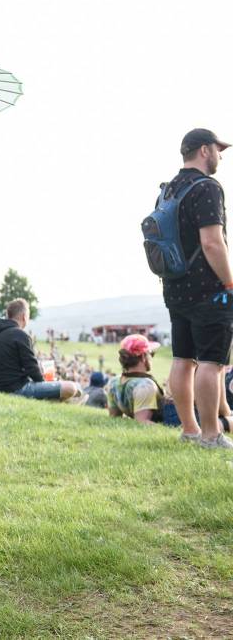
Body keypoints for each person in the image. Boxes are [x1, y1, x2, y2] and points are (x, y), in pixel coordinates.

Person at [160, 129, 233, 449]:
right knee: (211, 361)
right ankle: (211, 434)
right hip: (208, 288)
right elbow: (212, 242)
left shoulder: (169, 189)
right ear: (204, 150)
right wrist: (230, 282)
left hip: (175, 286)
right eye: (218, 149)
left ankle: (189, 429)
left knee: (182, 358)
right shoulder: (207, 188)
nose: (221, 155)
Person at [0, 299, 82, 401]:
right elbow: (32, 369)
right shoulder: (20, 334)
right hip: (15, 389)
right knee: (71, 387)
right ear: (24, 316)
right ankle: (65, 401)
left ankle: (65, 401)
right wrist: (45, 382)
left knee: (67, 387)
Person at [106, 335, 164, 424]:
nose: (152, 357)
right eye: (151, 354)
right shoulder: (145, 386)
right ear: (144, 357)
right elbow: (142, 422)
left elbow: (114, 417)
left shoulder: (113, 382)